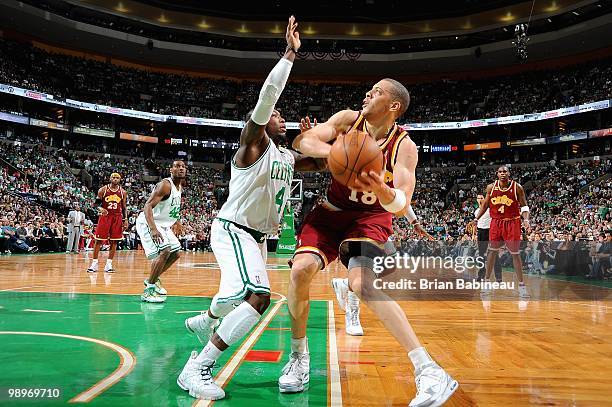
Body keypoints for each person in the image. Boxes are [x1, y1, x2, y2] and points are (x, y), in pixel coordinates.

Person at [279, 78, 458, 406]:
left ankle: (429, 370)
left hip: (371, 217)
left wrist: (384, 191)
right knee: (301, 269)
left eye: (376, 92)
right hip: (332, 212)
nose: (367, 94)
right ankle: (299, 357)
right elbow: (304, 140)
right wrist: (335, 152)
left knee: (361, 284)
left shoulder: (405, 146)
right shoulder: (349, 120)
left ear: (394, 106)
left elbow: (402, 204)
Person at [177, 16, 325, 401]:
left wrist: (313, 139)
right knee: (256, 296)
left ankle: (205, 320)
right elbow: (267, 97)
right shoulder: (253, 143)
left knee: (240, 296)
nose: (281, 117)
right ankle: (197, 367)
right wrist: (290, 54)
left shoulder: (285, 156)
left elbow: (321, 162)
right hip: (233, 228)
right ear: (259, 123)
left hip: (256, 238)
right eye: (276, 116)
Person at [331, 210, 433, 336]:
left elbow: (400, 198)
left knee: (391, 264)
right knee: (360, 264)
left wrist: (414, 222)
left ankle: (346, 284)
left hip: (378, 226)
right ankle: (352, 314)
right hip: (358, 226)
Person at [474, 166, 530, 298]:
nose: (503, 173)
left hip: (513, 222)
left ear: (509, 173)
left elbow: (524, 205)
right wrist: (476, 219)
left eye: (505, 171)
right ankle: (487, 282)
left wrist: (526, 220)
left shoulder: (517, 187)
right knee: (492, 252)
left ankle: (522, 286)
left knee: (515, 254)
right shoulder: (491, 188)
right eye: (500, 172)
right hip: (496, 222)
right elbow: (485, 205)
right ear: (497, 174)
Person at [136, 160, 186, 303]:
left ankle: (152, 279)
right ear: (171, 170)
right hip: (149, 222)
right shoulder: (165, 185)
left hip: (163, 225)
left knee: (176, 253)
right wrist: (153, 228)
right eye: (177, 166)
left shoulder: (179, 186)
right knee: (165, 251)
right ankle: (149, 291)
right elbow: (148, 206)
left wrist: (176, 221)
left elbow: (171, 206)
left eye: (183, 167)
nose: (181, 169)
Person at [87, 173, 128, 273]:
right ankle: (94, 264)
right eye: (113, 177)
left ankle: (109, 264)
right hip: (105, 217)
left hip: (117, 217)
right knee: (98, 240)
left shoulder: (123, 192)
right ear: (110, 178)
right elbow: (96, 204)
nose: (115, 179)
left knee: (114, 241)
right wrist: (100, 208)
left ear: (120, 180)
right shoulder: (103, 190)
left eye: (117, 178)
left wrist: (125, 219)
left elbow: (124, 207)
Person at [473, 194, 502, 281]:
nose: (480, 199)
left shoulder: (490, 209)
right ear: (477, 200)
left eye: (482, 198)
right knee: (481, 254)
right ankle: (481, 275)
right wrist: (474, 234)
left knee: (494, 253)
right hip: (481, 232)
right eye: (478, 198)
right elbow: (476, 223)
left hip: (490, 231)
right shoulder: (476, 211)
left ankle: (498, 276)